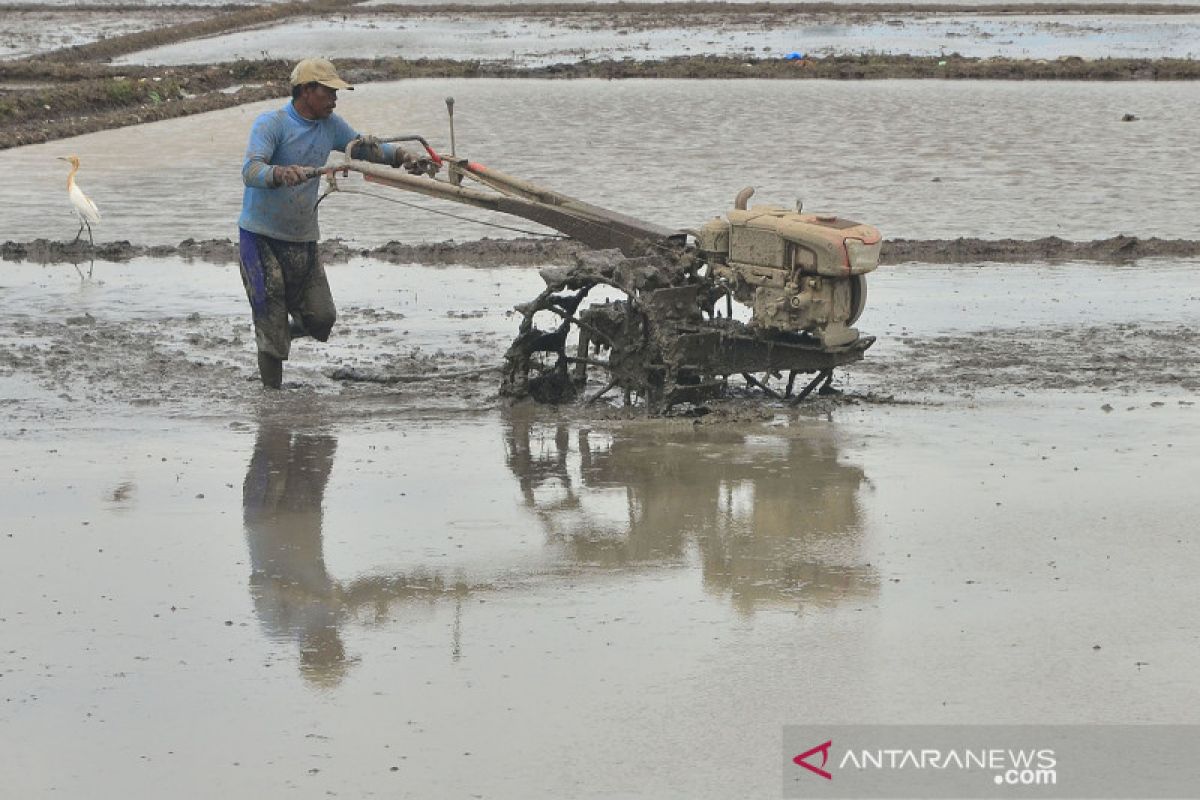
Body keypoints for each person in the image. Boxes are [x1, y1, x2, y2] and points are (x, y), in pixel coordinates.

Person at [238, 57, 427, 388]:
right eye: (329, 92)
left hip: (302, 237)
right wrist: (279, 173)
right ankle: (272, 402)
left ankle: (279, 333)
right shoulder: (272, 123)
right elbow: (250, 170)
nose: (335, 100)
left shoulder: (330, 125)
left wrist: (402, 156)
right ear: (307, 91)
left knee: (323, 319)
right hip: (261, 237)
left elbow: (362, 150)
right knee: (270, 316)